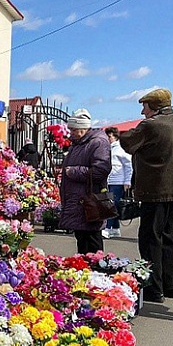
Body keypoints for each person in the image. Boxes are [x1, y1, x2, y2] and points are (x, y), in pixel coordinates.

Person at [119, 88, 173, 303]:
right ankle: (172, 286)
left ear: (154, 106)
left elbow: (126, 142)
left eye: (145, 106)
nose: (143, 111)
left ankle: (154, 289)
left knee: (151, 238)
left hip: (155, 190)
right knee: (169, 238)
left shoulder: (150, 124)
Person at [58, 109, 111, 254]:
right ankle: (85, 273)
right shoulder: (79, 143)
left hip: (89, 202)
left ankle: (97, 275)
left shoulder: (98, 142)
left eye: (74, 129)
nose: (71, 132)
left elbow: (100, 171)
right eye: (70, 129)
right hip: (79, 202)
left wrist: (73, 171)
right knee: (82, 242)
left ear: (83, 128)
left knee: (92, 243)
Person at [103, 127, 132, 239]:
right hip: (110, 181)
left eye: (109, 136)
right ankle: (115, 229)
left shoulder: (120, 149)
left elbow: (128, 165)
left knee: (111, 205)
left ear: (115, 136)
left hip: (118, 181)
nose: (108, 138)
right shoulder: (108, 149)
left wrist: (127, 181)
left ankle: (107, 228)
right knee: (113, 204)